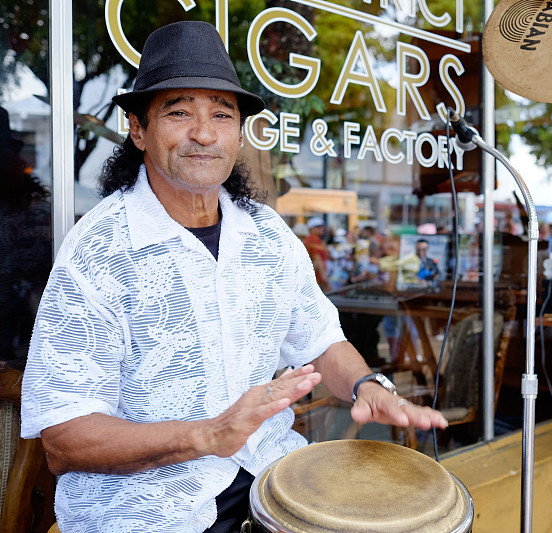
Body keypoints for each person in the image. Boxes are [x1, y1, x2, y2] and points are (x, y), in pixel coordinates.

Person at [20, 21, 446, 533]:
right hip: (148, 511)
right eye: (179, 112)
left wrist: (364, 384)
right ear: (138, 129)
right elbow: (64, 441)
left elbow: (319, 339)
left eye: (221, 115)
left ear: (238, 132)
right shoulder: (97, 253)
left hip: (269, 481)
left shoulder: (266, 234)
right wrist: (207, 434)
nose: (204, 133)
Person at [303, 216, 331, 292]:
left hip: (312, 278)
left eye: (322, 226)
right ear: (311, 228)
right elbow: (317, 260)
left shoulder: (314, 239)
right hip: (316, 279)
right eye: (318, 227)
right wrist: (324, 279)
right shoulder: (313, 239)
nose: (322, 228)